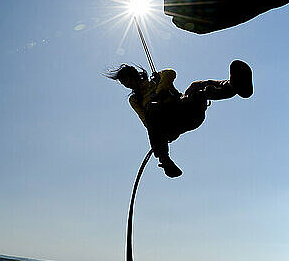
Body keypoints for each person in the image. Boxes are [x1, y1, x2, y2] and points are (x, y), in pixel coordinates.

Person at [107, 60, 253, 177]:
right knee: (151, 108)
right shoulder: (135, 100)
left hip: (187, 111)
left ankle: (232, 86)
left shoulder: (156, 79)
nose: (126, 84)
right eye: (123, 83)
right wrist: (162, 134)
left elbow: (170, 73)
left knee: (196, 88)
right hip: (172, 124)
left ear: (134, 75)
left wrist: (159, 90)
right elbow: (146, 121)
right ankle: (164, 159)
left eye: (126, 80)